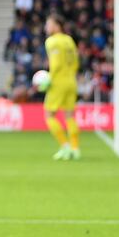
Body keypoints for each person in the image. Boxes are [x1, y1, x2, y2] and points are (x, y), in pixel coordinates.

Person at [43, 14, 80, 161]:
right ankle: (75, 149)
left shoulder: (52, 41)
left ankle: (65, 147)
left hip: (58, 82)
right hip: (71, 81)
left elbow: (56, 64)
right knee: (69, 116)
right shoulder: (69, 40)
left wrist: (49, 79)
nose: (47, 27)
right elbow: (76, 61)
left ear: (56, 25)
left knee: (49, 115)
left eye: (49, 24)